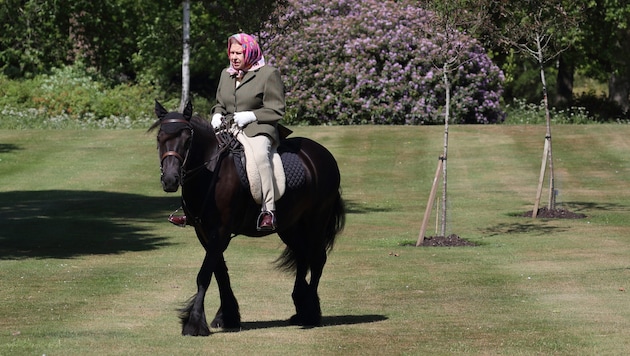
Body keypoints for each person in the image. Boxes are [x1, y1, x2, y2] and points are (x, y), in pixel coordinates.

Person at [169, 33, 285, 231]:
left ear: (249, 52)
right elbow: (220, 104)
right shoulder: (226, 73)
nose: (234, 57)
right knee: (201, 155)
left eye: (239, 53)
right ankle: (190, 210)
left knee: (259, 157)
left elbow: (276, 109)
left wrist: (252, 116)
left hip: (258, 128)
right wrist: (216, 114)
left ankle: (268, 210)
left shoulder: (268, 74)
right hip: (228, 128)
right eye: (231, 53)